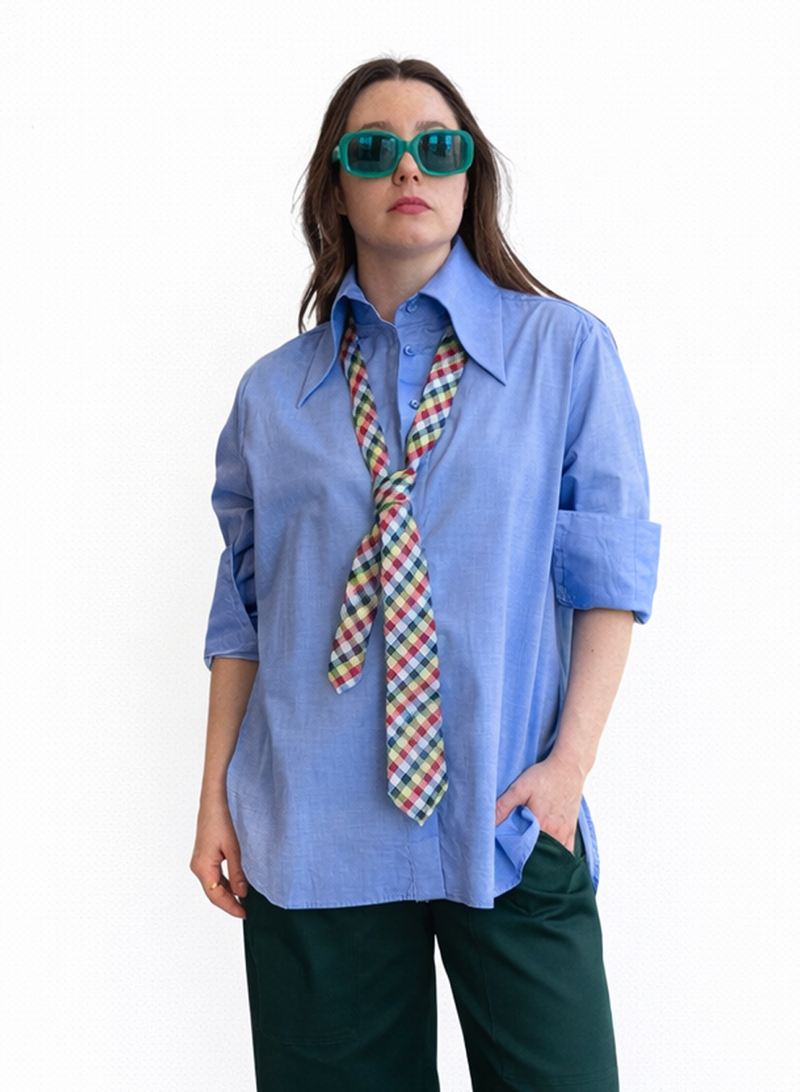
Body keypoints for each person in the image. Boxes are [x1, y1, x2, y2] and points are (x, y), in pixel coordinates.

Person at [191, 56, 660, 1092]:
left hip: (506, 813)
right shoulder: (273, 395)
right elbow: (245, 613)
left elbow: (609, 575)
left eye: (435, 146)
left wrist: (568, 770)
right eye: (374, 149)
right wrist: (214, 797)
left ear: (468, 173)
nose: (408, 167)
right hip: (310, 827)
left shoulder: (564, 353)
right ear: (336, 186)